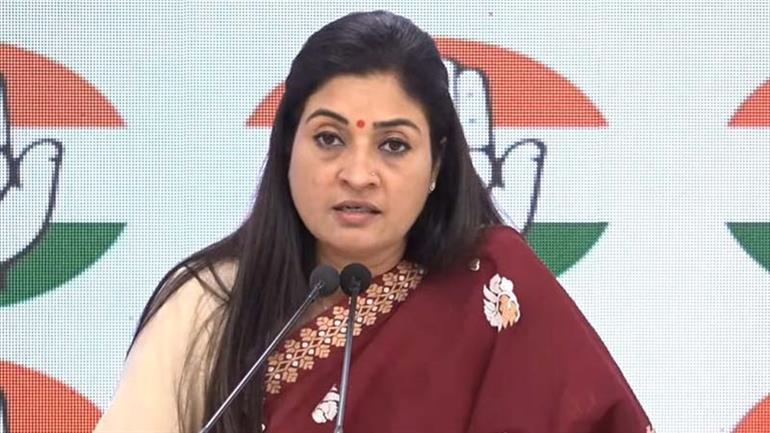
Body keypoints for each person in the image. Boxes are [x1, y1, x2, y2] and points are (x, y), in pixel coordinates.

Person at [94, 10, 653, 433]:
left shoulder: (494, 284)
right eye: (329, 138)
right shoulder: (211, 302)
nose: (358, 175)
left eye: (393, 145)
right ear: (287, 146)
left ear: (436, 165)